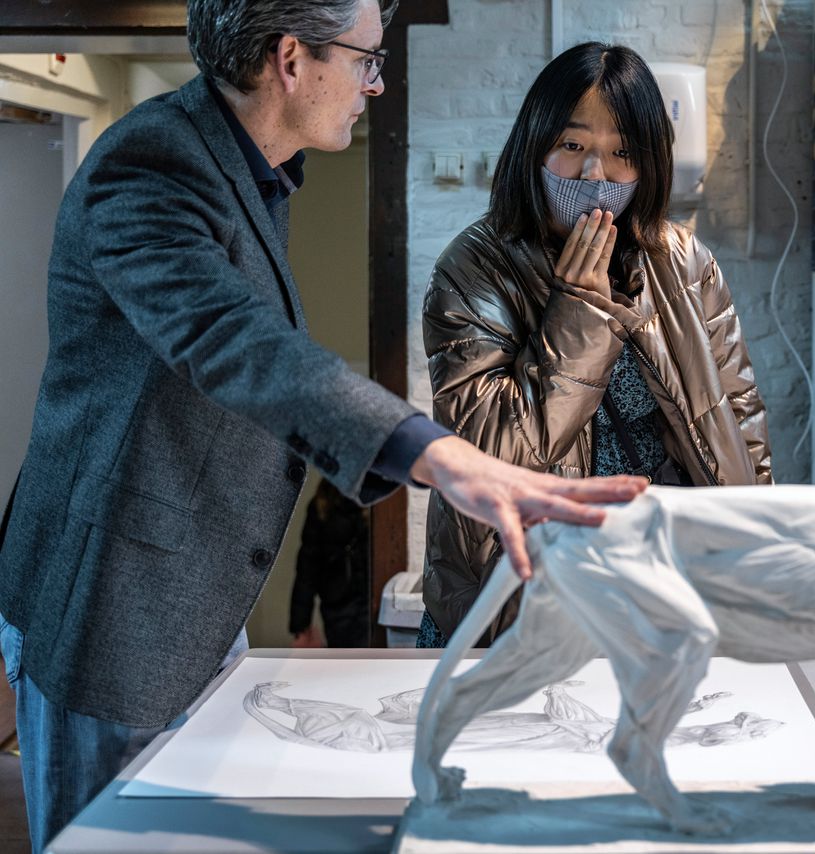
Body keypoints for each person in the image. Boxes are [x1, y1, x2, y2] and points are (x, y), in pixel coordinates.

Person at [0, 3, 643, 849]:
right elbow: (233, 342)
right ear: (291, 59)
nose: (374, 83)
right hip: (116, 601)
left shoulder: (249, 166)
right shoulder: (152, 165)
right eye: (366, 60)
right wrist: (442, 455)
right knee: (112, 840)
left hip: (191, 589)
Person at [418, 43, 772, 646]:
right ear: (535, 146)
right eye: (574, 145)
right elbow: (492, 456)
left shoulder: (684, 261)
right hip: (527, 605)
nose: (595, 175)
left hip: (666, 595)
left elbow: (741, 424)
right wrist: (578, 312)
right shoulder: (474, 268)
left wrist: (754, 560)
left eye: (622, 153)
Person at [289, 480, 369, 648]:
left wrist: (300, 625)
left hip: (355, 601)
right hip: (341, 603)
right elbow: (307, 568)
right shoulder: (322, 504)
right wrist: (300, 626)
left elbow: (307, 568)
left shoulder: (323, 503)